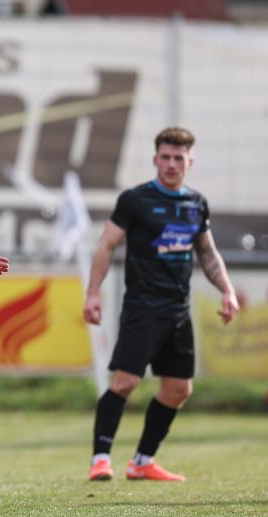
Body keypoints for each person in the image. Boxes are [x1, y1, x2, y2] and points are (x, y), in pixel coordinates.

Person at [83, 127, 238, 482]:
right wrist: (93, 293)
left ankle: (141, 462)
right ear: (155, 159)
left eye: (178, 158)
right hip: (142, 307)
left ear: (190, 161)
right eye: (165, 157)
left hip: (178, 312)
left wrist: (227, 290)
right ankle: (100, 459)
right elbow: (106, 246)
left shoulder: (196, 204)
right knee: (125, 382)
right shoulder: (134, 200)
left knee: (179, 390)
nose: (171, 164)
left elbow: (208, 253)